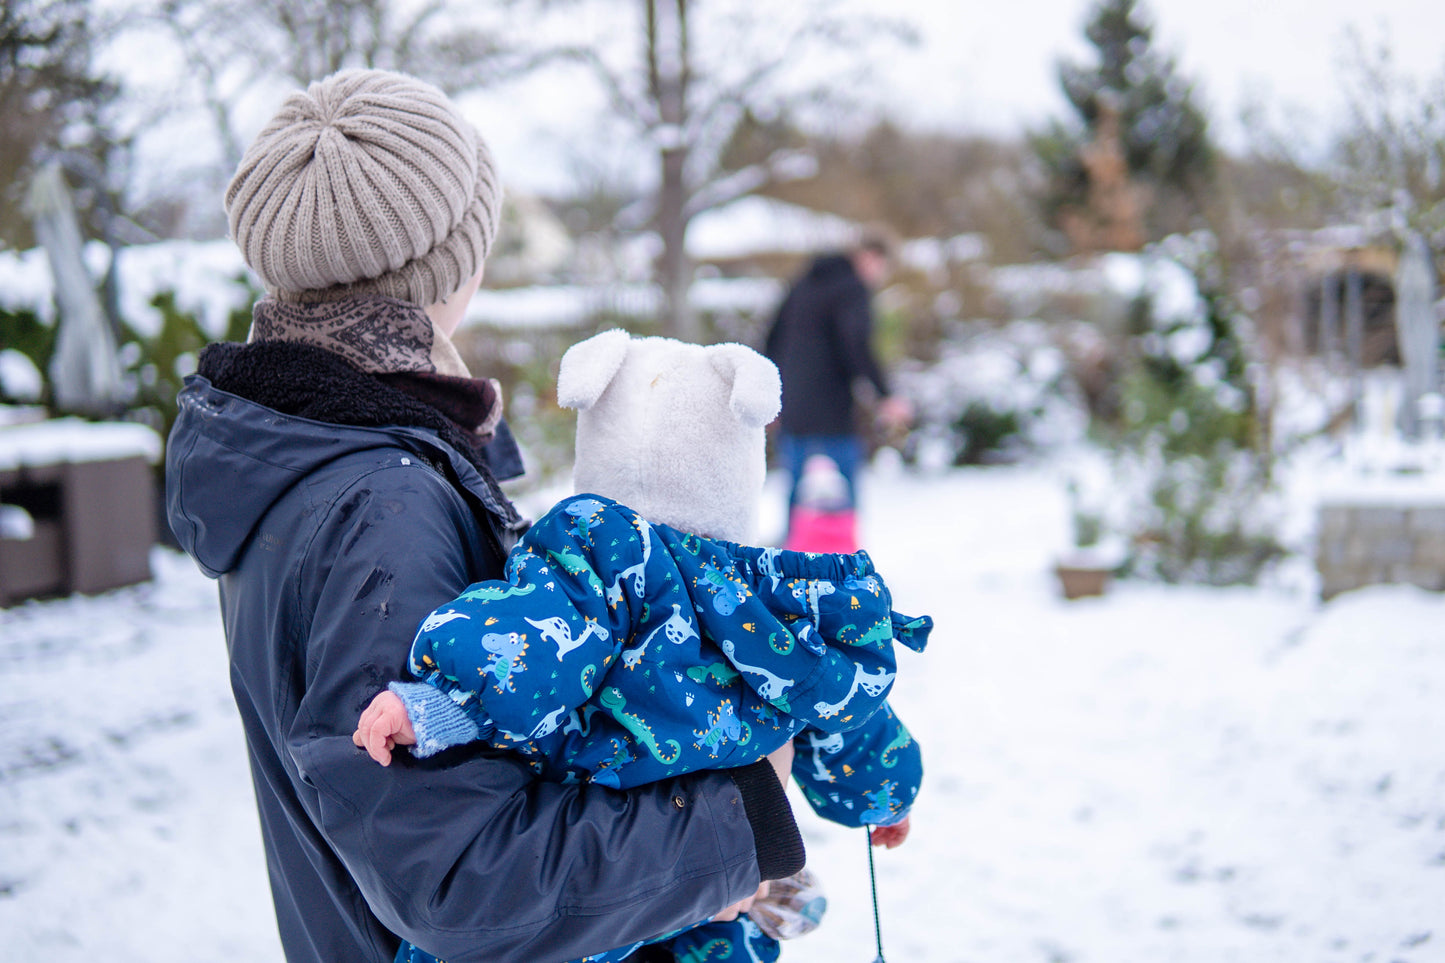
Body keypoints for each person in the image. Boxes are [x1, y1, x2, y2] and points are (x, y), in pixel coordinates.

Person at [165, 69, 805, 963]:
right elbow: (462, 883)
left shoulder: (308, 445)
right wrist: (742, 817)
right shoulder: (380, 503)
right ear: (457, 260)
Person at [353, 332, 931, 963]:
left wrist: (438, 703)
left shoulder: (595, 559)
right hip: (721, 870)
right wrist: (885, 797)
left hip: (619, 869)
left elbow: (522, 648)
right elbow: (844, 706)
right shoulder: (778, 603)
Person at [763, 233, 913, 527]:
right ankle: (847, 555)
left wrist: (772, 398)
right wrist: (884, 395)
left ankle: (790, 553)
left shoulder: (802, 283)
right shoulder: (852, 288)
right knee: (844, 482)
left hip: (793, 402)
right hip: (832, 406)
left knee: (795, 484)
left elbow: (772, 338)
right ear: (870, 258)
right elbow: (856, 344)